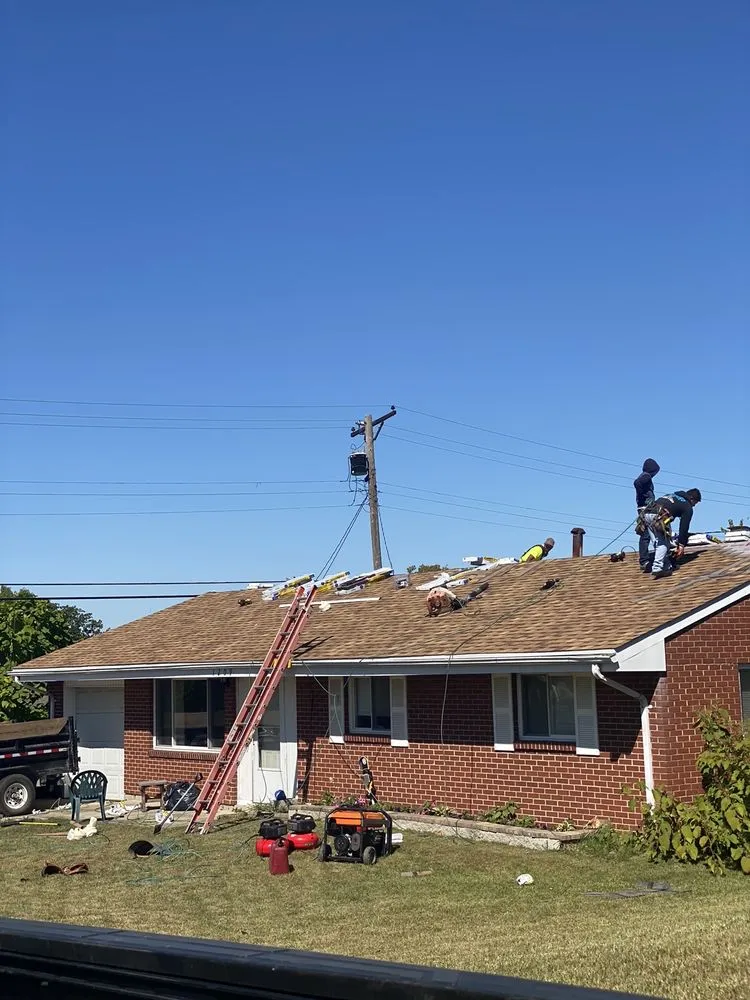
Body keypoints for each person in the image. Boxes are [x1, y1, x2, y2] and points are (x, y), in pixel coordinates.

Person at [643, 489, 702, 579]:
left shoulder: (673, 495)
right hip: (659, 517)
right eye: (695, 503)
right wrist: (681, 544)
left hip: (647, 514)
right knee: (664, 543)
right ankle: (657, 568)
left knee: (657, 542)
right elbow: (684, 527)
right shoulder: (687, 507)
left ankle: (666, 566)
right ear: (691, 498)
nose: (694, 505)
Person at [634, 459, 660, 571]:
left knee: (648, 533)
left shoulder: (645, 476)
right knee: (646, 534)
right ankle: (644, 560)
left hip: (644, 508)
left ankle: (646, 558)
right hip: (645, 508)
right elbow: (637, 483)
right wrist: (644, 495)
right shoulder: (646, 476)